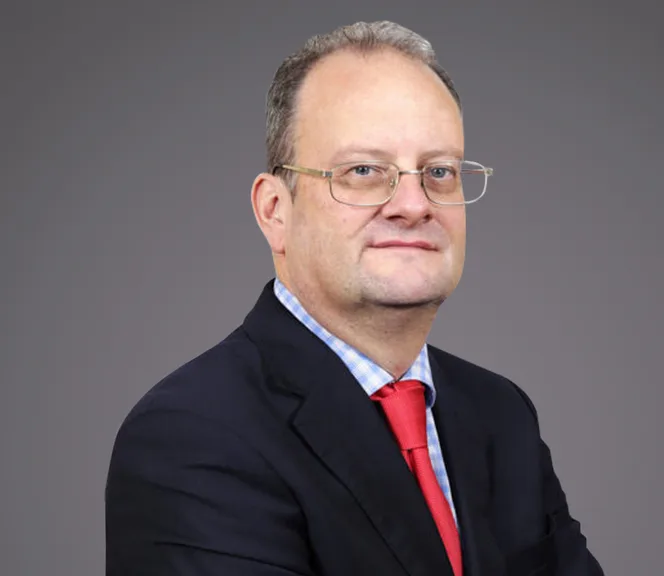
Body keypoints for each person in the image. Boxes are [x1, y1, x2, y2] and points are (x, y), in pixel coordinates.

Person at [105, 20, 603, 576]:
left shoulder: (500, 414)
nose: (413, 204)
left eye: (439, 171)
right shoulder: (192, 433)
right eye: (364, 171)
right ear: (275, 211)